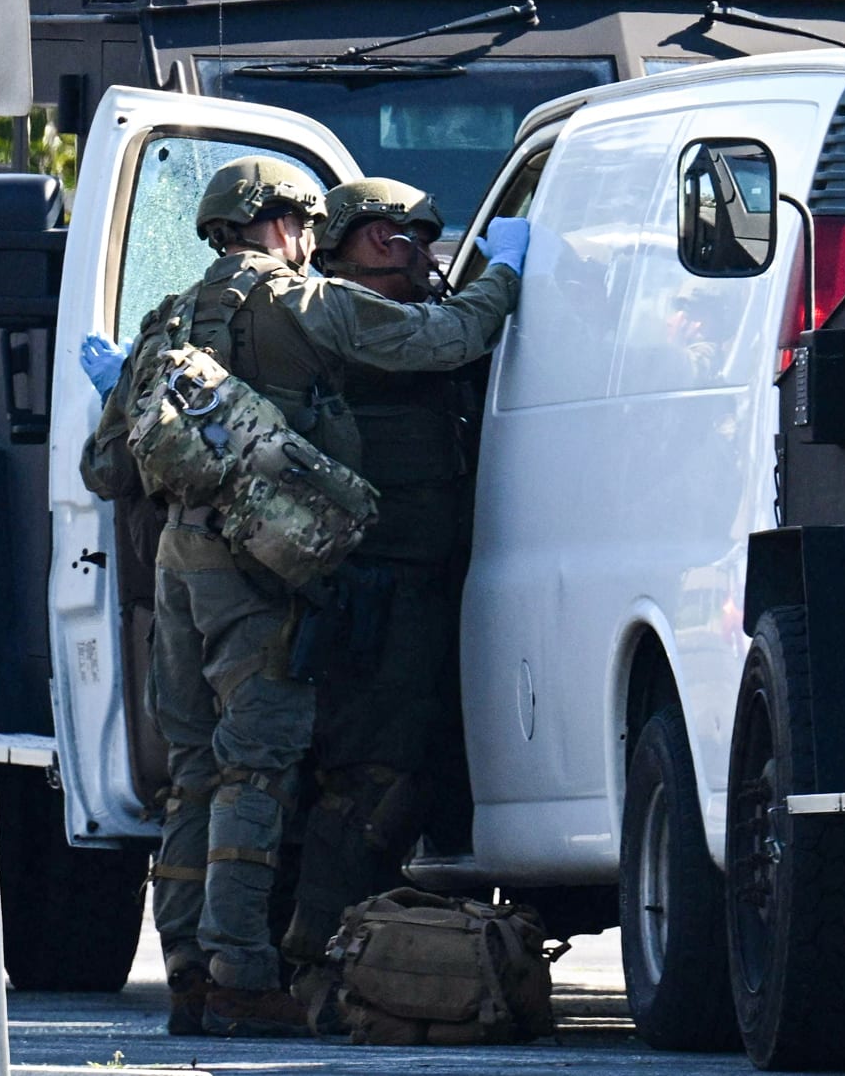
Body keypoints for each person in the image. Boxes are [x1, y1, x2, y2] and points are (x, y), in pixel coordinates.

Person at [86, 155, 528, 1037]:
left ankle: (186, 974)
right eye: (305, 223)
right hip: (258, 562)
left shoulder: (166, 320)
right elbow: (440, 340)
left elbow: (102, 465)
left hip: (180, 558)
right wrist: (503, 275)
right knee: (259, 763)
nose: (310, 238)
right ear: (280, 222)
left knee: (192, 773)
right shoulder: (297, 301)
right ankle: (242, 972)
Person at [278, 178, 486, 1028]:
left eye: (422, 235)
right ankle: (312, 963)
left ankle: (347, 957)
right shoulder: (342, 319)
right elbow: (450, 337)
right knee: (367, 780)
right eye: (388, 235)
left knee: (400, 772)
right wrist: (498, 279)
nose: (412, 249)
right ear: (338, 247)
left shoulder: (398, 317)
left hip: (425, 585)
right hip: (372, 590)